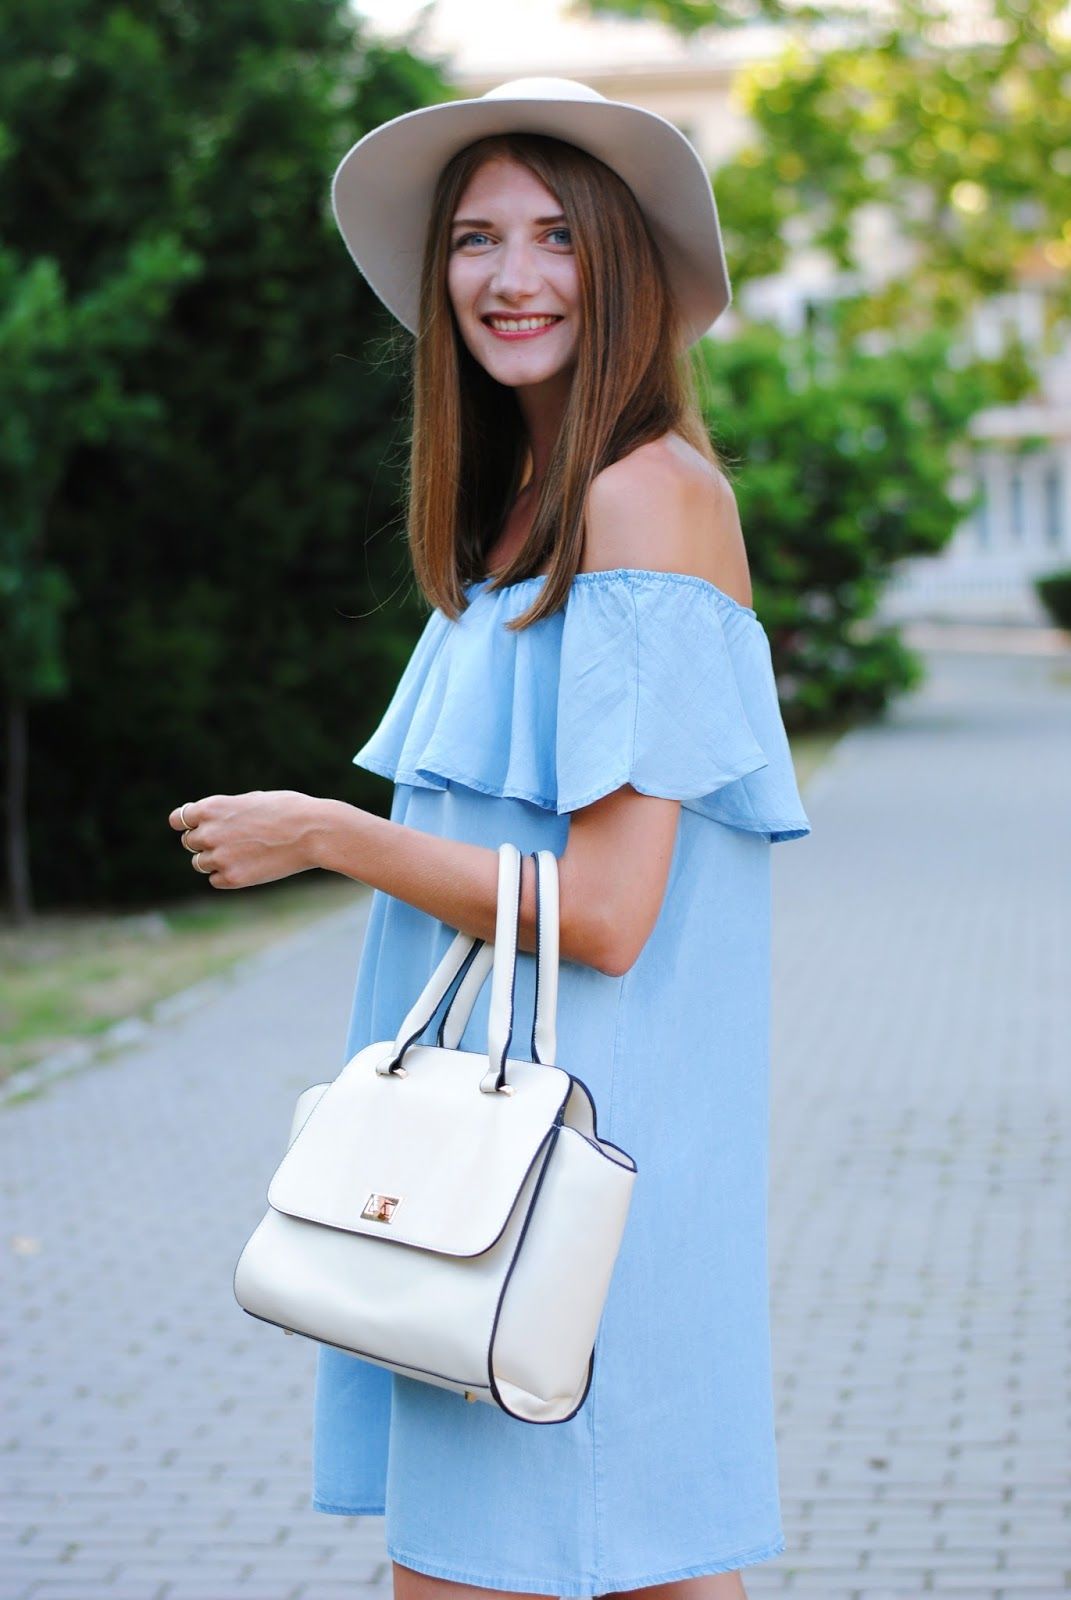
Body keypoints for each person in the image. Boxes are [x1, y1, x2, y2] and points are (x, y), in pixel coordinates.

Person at [168, 76, 811, 1600]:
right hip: (495, 1157)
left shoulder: (646, 503)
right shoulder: (533, 507)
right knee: (608, 1565)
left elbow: (610, 914)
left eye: (555, 236)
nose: (511, 277)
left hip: (564, 1163)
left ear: (625, 267)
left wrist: (331, 834)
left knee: (526, 1565)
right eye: (474, 238)